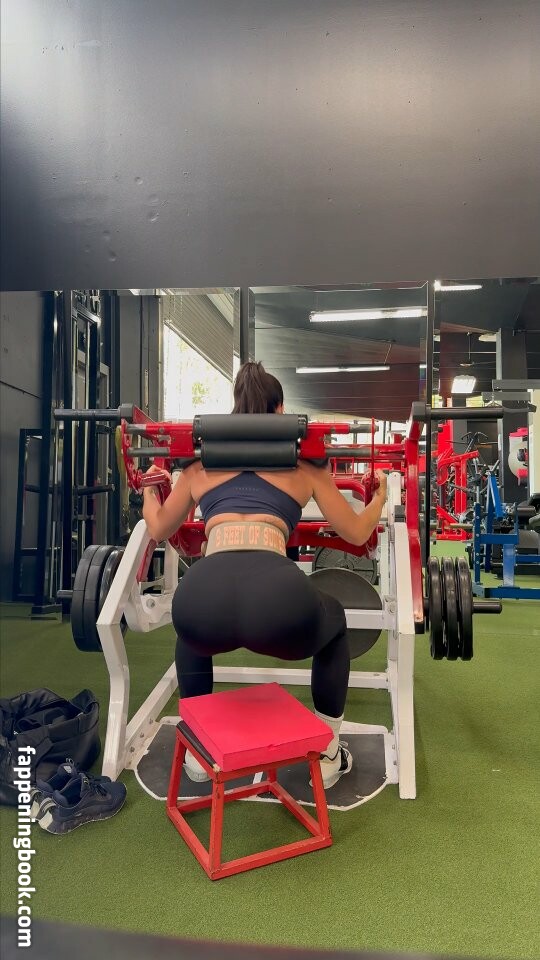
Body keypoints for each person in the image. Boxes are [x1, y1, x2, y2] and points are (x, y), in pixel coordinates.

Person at [142, 362, 387, 789]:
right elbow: (356, 533)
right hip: (278, 601)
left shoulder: (199, 469)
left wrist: (149, 488)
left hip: (205, 593)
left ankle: (199, 752)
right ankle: (328, 754)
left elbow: (159, 528)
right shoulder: (305, 469)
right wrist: (380, 498)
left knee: (191, 630)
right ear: (280, 411)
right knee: (334, 624)